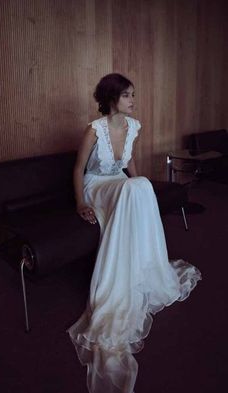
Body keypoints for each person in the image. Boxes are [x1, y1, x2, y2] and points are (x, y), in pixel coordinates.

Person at [67, 73, 201, 393]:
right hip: (96, 186)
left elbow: (130, 164)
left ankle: (143, 264)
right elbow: (78, 169)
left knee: (140, 187)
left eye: (133, 95)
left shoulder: (133, 127)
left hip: (119, 185)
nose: (133, 100)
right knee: (135, 189)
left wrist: (141, 186)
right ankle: (114, 288)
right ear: (112, 99)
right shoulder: (94, 130)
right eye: (127, 96)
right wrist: (80, 203)